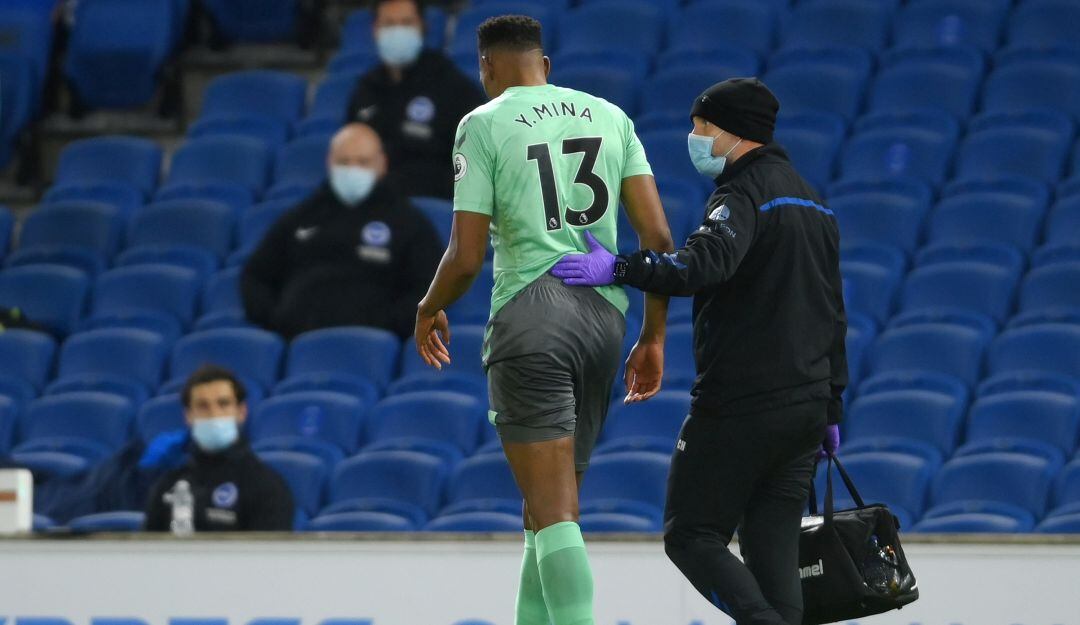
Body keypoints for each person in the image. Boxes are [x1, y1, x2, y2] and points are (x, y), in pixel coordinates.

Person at [552, 77, 848, 625]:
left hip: (743, 403)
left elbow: (698, 266)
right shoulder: (816, 203)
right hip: (805, 410)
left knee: (690, 534)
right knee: (772, 555)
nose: (695, 137)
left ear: (734, 131)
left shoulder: (743, 195)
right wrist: (831, 406)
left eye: (702, 126)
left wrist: (619, 267)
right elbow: (834, 313)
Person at [413, 16, 673, 625]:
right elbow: (659, 239)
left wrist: (428, 307)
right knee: (542, 510)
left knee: (554, 511)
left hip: (532, 315)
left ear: (487, 68)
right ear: (545, 65)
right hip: (605, 318)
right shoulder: (610, 116)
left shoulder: (482, 123)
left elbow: (466, 256)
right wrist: (653, 336)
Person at [241, 122, 442, 339]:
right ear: (330, 163)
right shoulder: (301, 217)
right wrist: (278, 320)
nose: (352, 170)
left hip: (369, 343)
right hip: (299, 340)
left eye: (363, 162)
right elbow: (255, 276)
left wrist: (389, 326)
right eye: (344, 162)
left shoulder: (408, 222)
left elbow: (431, 285)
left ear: (382, 164)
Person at [345, 0, 486, 199]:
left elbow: (475, 166)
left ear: (422, 27)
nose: (397, 31)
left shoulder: (454, 88)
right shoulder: (365, 90)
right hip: (373, 203)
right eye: (389, 24)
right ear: (375, 30)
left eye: (406, 23)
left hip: (433, 204)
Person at [144, 365, 294, 532]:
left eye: (223, 404)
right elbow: (147, 546)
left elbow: (269, 549)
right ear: (188, 416)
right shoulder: (168, 485)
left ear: (241, 412)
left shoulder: (267, 487)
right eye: (203, 406)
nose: (214, 414)